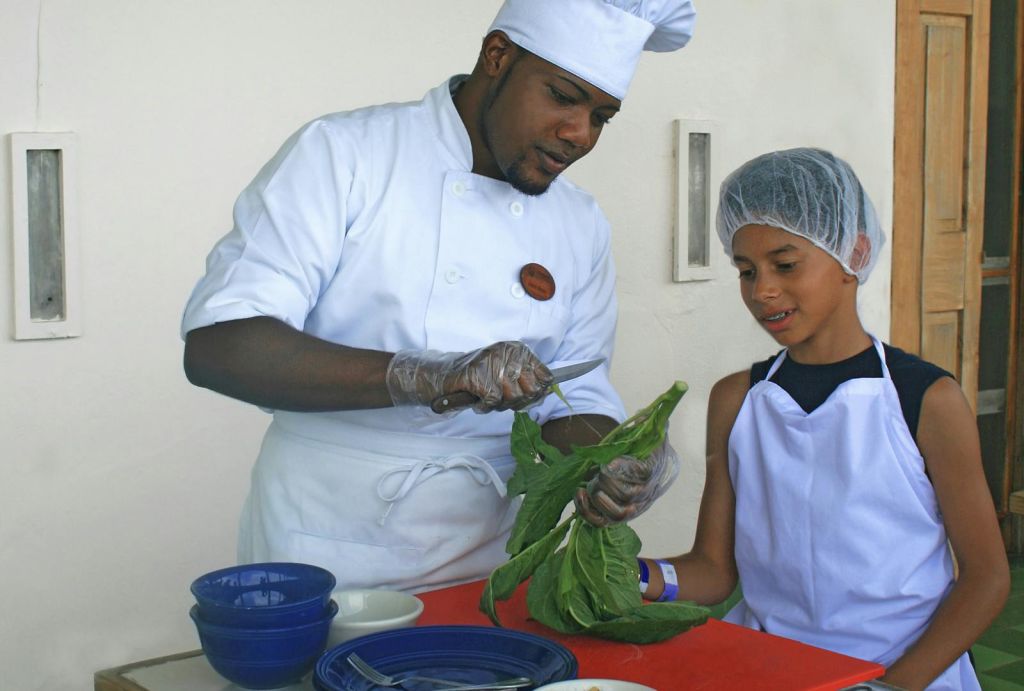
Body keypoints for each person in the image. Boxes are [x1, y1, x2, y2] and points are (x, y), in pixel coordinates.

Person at [181, 0, 696, 594]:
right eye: (561, 96)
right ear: (496, 56)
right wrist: (424, 377)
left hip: (496, 559)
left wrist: (618, 458)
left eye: (603, 116)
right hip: (330, 549)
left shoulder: (578, 222)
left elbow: (571, 398)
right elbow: (222, 346)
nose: (579, 134)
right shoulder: (346, 156)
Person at [577, 148, 1010, 690]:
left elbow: (987, 577)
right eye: (746, 271)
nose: (763, 291)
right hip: (770, 670)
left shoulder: (924, 400)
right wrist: (632, 576)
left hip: (906, 671)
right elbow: (715, 570)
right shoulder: (738, 400)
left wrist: (894, 685)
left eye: (786, 265)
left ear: (854, 251)